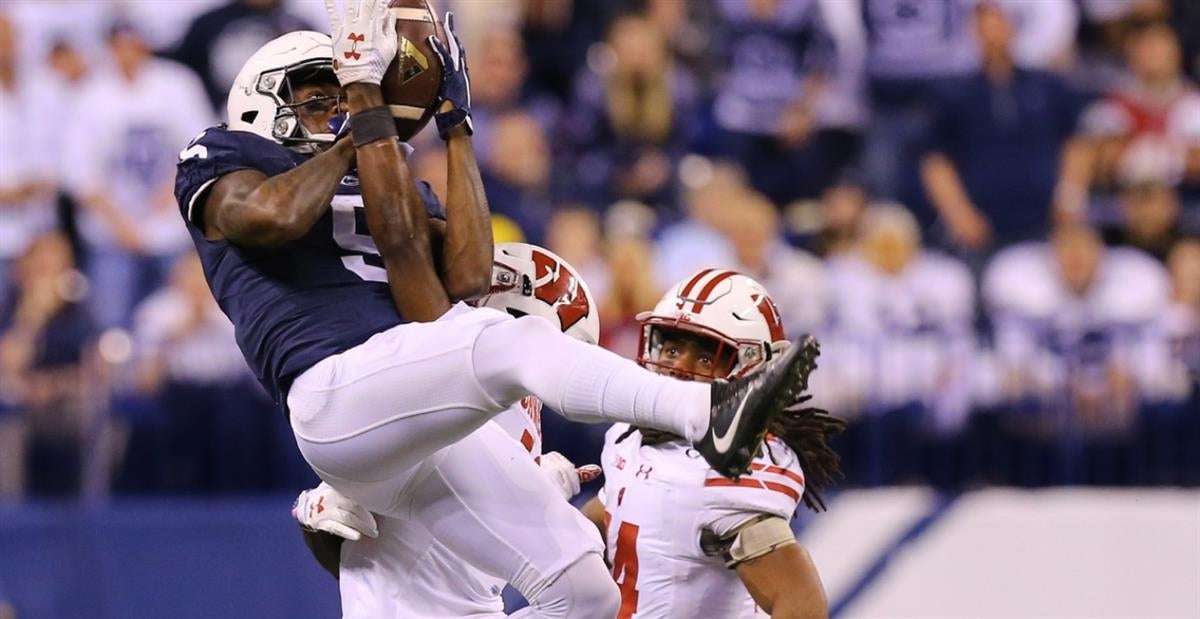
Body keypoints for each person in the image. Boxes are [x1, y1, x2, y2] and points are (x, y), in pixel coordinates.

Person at [173, 2, 816, 615]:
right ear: (264, 99)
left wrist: (455, 128)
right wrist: (365, 115)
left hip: (410, 414)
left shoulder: (383, 176)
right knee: (497, 339)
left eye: (339, 97)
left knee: (588, 596)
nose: (334, 110)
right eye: (320, 99)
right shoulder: (226, 152)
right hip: (335, 391)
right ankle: (705, 418)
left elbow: (467, 276)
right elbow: (270, 218)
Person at [293, 242, 607, 617]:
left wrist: (319, 504)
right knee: (589, 596)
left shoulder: (469, 394)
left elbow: (377, 559)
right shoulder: (491, 403)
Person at [581, 270, 842, 618]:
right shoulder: (630, 434)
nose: (678, 368)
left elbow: (801, 603)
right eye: (672, 348)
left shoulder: (729, 466)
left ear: (753, 370)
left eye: (705, 358)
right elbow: (620, 511)